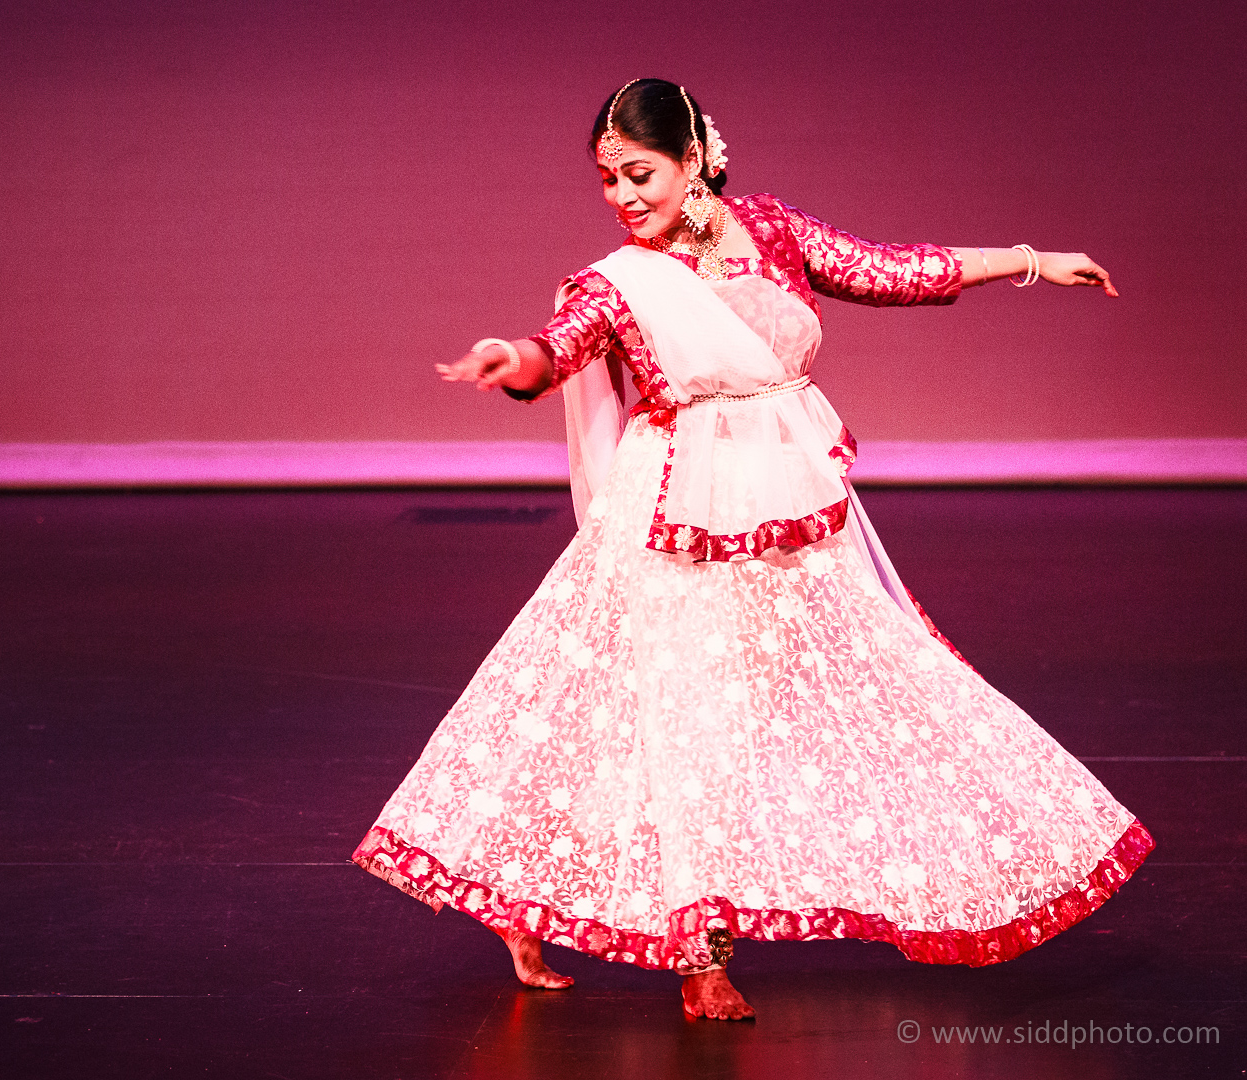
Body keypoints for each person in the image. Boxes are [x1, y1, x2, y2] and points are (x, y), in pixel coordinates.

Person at [352, 78, 1151, 1022]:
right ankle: (704, 958)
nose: (622, 197)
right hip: (672, 521)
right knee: (694, 725)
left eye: (639, 173)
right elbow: (557, 348)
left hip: (790, 509)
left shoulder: (771, 231)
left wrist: (1031, 259)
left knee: (834, 689)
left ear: (695, 161)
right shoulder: (619, 280)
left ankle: (529, 898)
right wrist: (512, 361)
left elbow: (893, 269)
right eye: (607, 180)